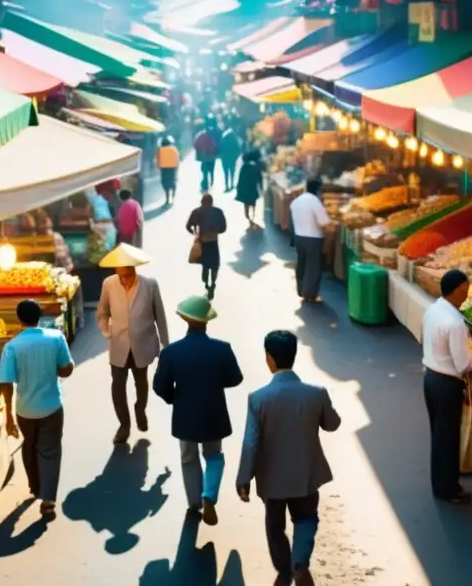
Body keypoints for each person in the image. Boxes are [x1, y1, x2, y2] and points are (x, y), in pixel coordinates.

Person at [237, 331, 340, 586]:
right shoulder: (316, 394)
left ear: (269, 359)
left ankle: (284, 568)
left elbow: (251, 443)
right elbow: (332, 424)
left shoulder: (258, 399)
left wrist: (244, 478)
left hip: (272, 479)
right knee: (306, 518)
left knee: (274, 526)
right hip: (306, 474)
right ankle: (300, 561)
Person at [153, 296, 242, 527]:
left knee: (188, 457)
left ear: (184, 318)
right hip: (214, 412)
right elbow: (235, 378)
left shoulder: (171, 353)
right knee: (214, 456)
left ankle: (195, 503)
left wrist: (174, 398)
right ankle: (209, 494)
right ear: (207, 321)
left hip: (185, 414)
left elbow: (159, 386)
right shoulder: (222, 349)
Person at [421, 270, 472, 505]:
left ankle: (440, 484)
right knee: (448, 438)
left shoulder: (433, 309)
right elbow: (465, 365)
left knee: (438, 436)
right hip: (447, 385)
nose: (467, 294)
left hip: (430, 379)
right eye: (466, 289)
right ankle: (448, 489)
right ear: (458, 289)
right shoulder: (455, 323)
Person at [0, 300, 74, 518]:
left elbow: (6, 383)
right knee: (50, 451)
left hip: (24, 410)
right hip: (52, 406)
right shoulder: (56, 338)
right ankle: (48, 500)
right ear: (40, 316)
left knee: (29, 446)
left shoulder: (12, 346)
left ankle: (34, 485)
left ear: (18, 318)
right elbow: (66, 370)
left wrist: (9, 416)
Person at [96, 244, 169, 444]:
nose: (123, 278)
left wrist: (166, 345)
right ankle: (124, 425)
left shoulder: (150, 285)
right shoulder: (108, 284)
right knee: (117, 386)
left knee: (141, 382)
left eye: (126, 274)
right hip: (119, 345)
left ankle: (140, 409)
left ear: (133, 269)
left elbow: (160, 316)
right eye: (120, 274)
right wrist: (106, 331)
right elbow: (102, 313)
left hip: (142, 344)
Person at [289, 179, 331, 303]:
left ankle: (301, 290)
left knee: (301, 264)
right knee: (313, 267)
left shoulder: (295, 202)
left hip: (299, 237)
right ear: (318, 190)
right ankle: (310, 295)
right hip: (313, 239)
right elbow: (324, 223)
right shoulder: (315, 202)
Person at [186, 194, 227, 299]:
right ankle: (213, 282)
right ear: (212, 202)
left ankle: (206, 282)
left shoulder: (197, 212)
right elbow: (223, 227)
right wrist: (216, 231)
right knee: (215, 264)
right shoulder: (218, 212)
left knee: (205, 263)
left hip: (202, 241)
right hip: (213, 241)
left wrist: (195, 233)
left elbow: (188, 226)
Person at [235, 148, 264, 228]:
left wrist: (238, 188)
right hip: (252, 187)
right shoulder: (256, 167)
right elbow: (259, 178)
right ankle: (252, 215)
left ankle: (248, 215)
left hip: (245, 188)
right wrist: (261, 188)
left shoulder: (244, 167)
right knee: (253, 201)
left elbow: (240, 179)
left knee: (246, 203)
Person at [194, 121, 219, 192]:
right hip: (211, 157)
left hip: (203, 157)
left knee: (204, 171)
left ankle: (206, 184)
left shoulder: (199, 136)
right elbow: (214, 146)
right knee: (211, 170)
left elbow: (196, 145)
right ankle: (211, 182)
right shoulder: (211, 136)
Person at [157, 135, 180, 206]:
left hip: (163, 169)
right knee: (172, 182)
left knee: (165, 183)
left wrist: (158, 166)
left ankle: (167, 199)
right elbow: (177, 159)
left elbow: (157, 160)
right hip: (172, 168)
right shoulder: (174, 149)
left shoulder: (160, 150)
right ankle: (173, 198)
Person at [219, 125, 241, 193]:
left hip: (225, 158)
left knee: (226, 172)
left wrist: (221, 156)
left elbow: (220, 148)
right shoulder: (234, 140)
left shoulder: (223, 138)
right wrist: (236, 157)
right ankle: (231, 184)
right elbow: (238, 150)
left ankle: (227, 185)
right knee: (232, 172)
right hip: (232, 158)